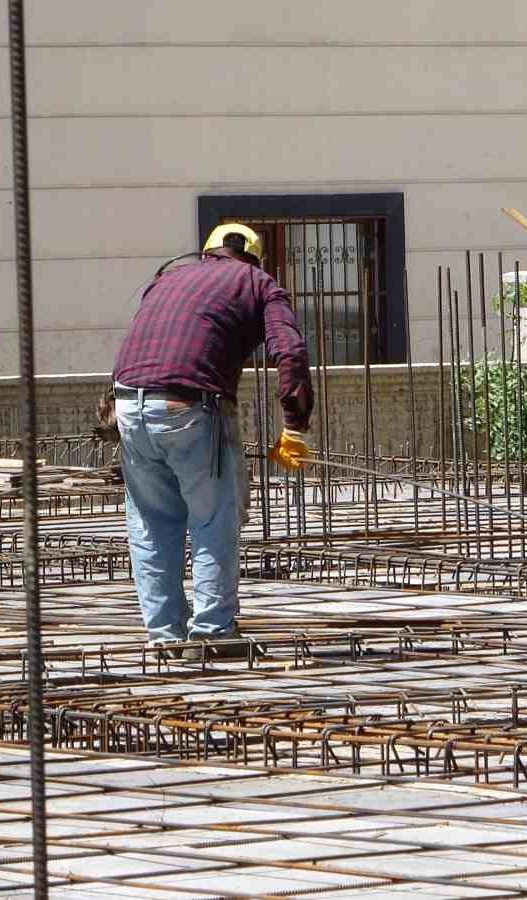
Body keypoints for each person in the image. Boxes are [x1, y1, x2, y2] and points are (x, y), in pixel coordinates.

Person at [112, 224, 313, 659]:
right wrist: (294, 423)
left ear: (206, 252)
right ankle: (212, 632)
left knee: (150, 524)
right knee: (212, 518)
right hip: (191, 407)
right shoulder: (259, 284)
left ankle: (164, 635)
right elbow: (290, 352)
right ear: (254, 257)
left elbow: (143, 342)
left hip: (127, 404)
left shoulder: (167, 278)